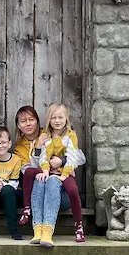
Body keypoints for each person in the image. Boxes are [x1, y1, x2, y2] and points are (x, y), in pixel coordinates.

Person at [29, 103, 86, 247]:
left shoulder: (70, 136)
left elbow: (75, 156)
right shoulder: (45, 137)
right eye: (53, 118)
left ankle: (51, 231)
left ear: (66, 119)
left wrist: (63, 168)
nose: (57, 121)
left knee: (62, 186)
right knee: (39, 180)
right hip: (48, 179)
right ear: (49, 120)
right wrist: (45, 170)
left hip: (63, 182)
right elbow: (41, 158)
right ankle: (38, 230)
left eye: (60, 117)